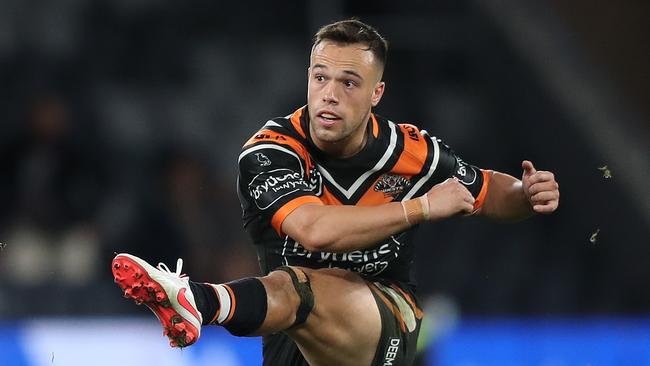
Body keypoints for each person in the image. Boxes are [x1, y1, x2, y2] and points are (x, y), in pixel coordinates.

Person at [112, 19, 560, 366]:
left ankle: (198, 301)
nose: (329, 94)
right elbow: (315, 230)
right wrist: (420, 208)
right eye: (320, 77)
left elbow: (487, 190)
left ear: (376, 94)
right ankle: (198, 302)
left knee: (298, 285)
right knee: (291, 289)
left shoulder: (408, 151)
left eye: (348, 83)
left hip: (384, 326)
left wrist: (526, 194)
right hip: (294, 343)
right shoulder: (270, 153)